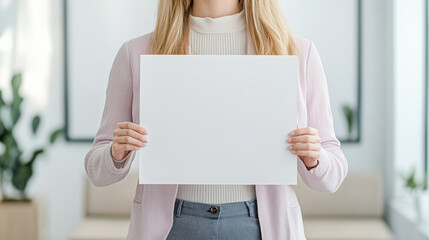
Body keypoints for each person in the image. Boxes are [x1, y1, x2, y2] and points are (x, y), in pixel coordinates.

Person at [84, 0, 348, 239]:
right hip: (170, 228)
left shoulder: (298, 52)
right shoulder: (136, 53)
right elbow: (97, 171)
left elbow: (332, 176)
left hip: (261, 228)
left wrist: (315, 159)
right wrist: (116, 153)